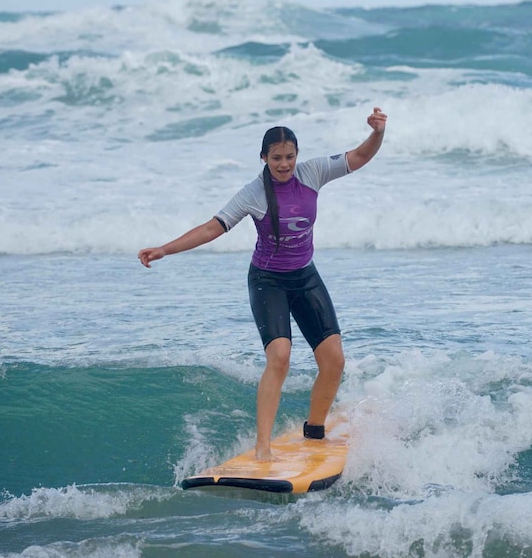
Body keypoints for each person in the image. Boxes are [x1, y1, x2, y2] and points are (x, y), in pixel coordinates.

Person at [139, 107, 388, 461]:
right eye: (276, 158)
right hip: (268, 281)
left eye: (289, 157)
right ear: (264, 158)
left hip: (305, 277)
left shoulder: (313, 172)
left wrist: (377, 132)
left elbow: (361, 156)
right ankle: (263, 447)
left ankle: (314, 432)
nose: (284, 164)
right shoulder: (254, 193)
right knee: (280, 358)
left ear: (297, 155)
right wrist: (165, 248)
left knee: (334, 361)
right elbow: (213, 227)